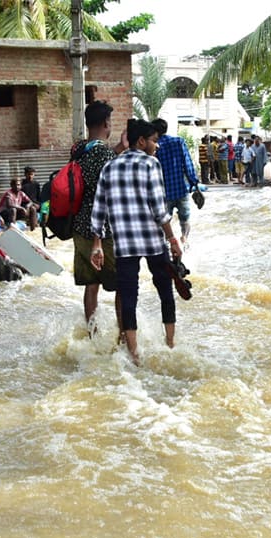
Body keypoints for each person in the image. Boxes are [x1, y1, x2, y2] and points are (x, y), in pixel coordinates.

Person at [90, 119, 182, 365]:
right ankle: (170, 344)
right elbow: (158, 208)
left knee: (129, 295)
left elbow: (99, 209)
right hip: (153, 241)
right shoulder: (151, 164)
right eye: (154, 140)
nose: (157, 146)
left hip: (125, 244)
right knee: (165, 291)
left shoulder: (109, 167)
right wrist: (172, 237)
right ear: (141, 141)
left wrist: (97, 244)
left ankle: (134, 353)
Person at [72, 100, 128, 331]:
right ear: (107, 123)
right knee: (123, 284)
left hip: (79, 227)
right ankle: (124, 336)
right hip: (102, 232)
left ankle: (93, 335)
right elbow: (105, 195)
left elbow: (95, 166)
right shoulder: (104, 155)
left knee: (91, 284)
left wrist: (118, 148)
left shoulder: (79, 149)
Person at [152, 118, 200, 245]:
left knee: (164, 222)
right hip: (181, 189)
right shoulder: (178, 142)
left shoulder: (154, 146)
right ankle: (184, 239)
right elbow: (188, 164)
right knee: (185, 219)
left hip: (163, 193)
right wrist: (194, 183)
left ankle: (169, 244)